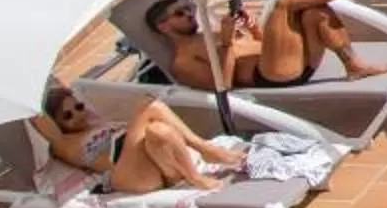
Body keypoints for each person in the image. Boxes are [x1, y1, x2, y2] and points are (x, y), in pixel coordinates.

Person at [147, 0, 387, 90]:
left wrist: (254, 30)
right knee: (283, 4)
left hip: (287, 64)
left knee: (314, 13)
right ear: (163, 26)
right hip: (271, 77)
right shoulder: (182, 61)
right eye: (180, 14)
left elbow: (264, 47)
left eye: (188, 9)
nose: (189, 15)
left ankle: (354, 65)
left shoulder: (211, 33)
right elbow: (222, 86)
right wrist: (228, 43)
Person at [34, 80, 246, 195]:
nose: (78, 115)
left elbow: (60, 84)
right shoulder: (63, 144)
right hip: (126, 175)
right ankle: (203, 156)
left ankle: (185, 172)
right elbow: (36, 114)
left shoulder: (98, 123)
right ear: (57, 124)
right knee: (149, 106)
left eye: (79, 107)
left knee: (159, 131)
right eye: (67, 116)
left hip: (154, 168)